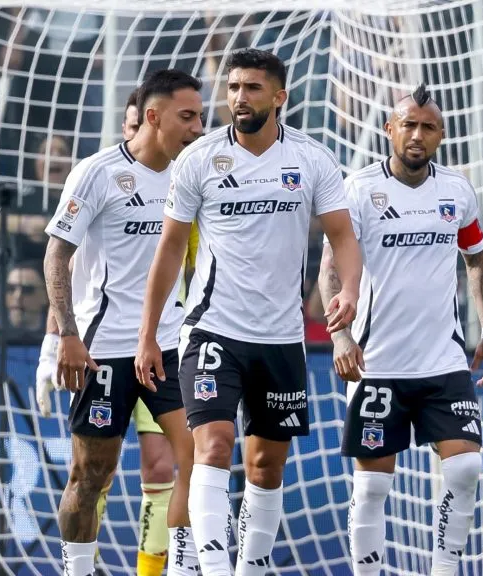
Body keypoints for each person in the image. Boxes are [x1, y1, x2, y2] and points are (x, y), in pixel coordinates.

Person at [135, 48, 362, 576]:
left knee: (266, 466)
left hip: (282, 337)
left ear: (279, 97)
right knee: (213, 445)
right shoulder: (198, 160)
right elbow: (169, 250)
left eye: (253, 88)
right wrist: (149, 333)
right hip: (212, 330)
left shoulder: (312, 159)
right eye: (234, 87)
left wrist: (349, 290)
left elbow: (342, 237)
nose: (239, 98)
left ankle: (250, 568)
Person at [318, 84, 483, 576]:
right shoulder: (357, 189)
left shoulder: (456, 191)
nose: (417, 135)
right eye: (408, 125)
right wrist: (341, 336)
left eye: (427, 127)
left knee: (465, 469)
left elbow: (478, 259)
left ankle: (443, 570)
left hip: (443, 360)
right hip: (379, 364)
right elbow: (331, 267)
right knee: (373, 486)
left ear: (440, 135)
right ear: (389, 130)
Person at [42, 69, 205, 576]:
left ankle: (176, 569)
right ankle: (77, 569)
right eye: (188, 117)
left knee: (199, 460)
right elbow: (55, 255)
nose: (198, 127)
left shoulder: (193, 173)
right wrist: (65, 336)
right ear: (152, 117)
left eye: (200, 116)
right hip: (104, 349)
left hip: (170, 345)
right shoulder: (98, 172)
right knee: (92, 474)